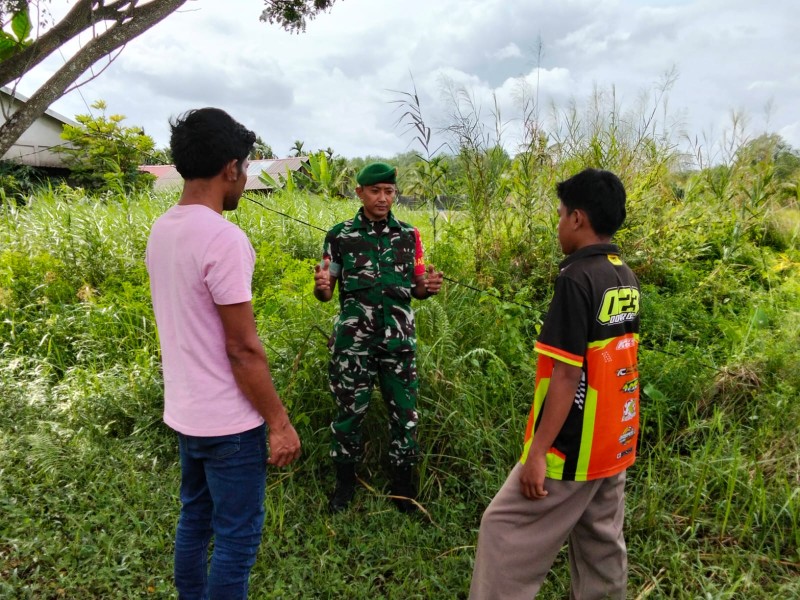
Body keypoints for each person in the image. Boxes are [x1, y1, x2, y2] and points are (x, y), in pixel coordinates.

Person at [146, 107, 301, 599]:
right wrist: (278, 423)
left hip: (186, 415)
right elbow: (243, 349)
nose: (247, 179)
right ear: (230, 168)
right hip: (231, 425)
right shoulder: (224, 238)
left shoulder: (163, 228)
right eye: (247, 169)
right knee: (237, 537)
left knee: (195, 518)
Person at [469, 168, 641, 600]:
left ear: (578, 219)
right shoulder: (623, 275)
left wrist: (538, 453)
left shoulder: (576, 279)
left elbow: (567, 375)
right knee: (602, 545)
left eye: (561, 214)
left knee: (501, 529)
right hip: (613, 442)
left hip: (572, 446)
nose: (559, 223)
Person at [313, 162, 443, 514]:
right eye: (375, 191)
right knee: (348, 416)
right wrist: (321, 287)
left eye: (389, 191)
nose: (383, 198)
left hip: (398, 343)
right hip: (353, 344)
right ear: (360, 193)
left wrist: (427, 288)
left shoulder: (409, 235)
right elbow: (327, 292)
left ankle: (403, 492)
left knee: (405, 416)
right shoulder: (339, 236)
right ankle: (344, 487)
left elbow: (416, 287)